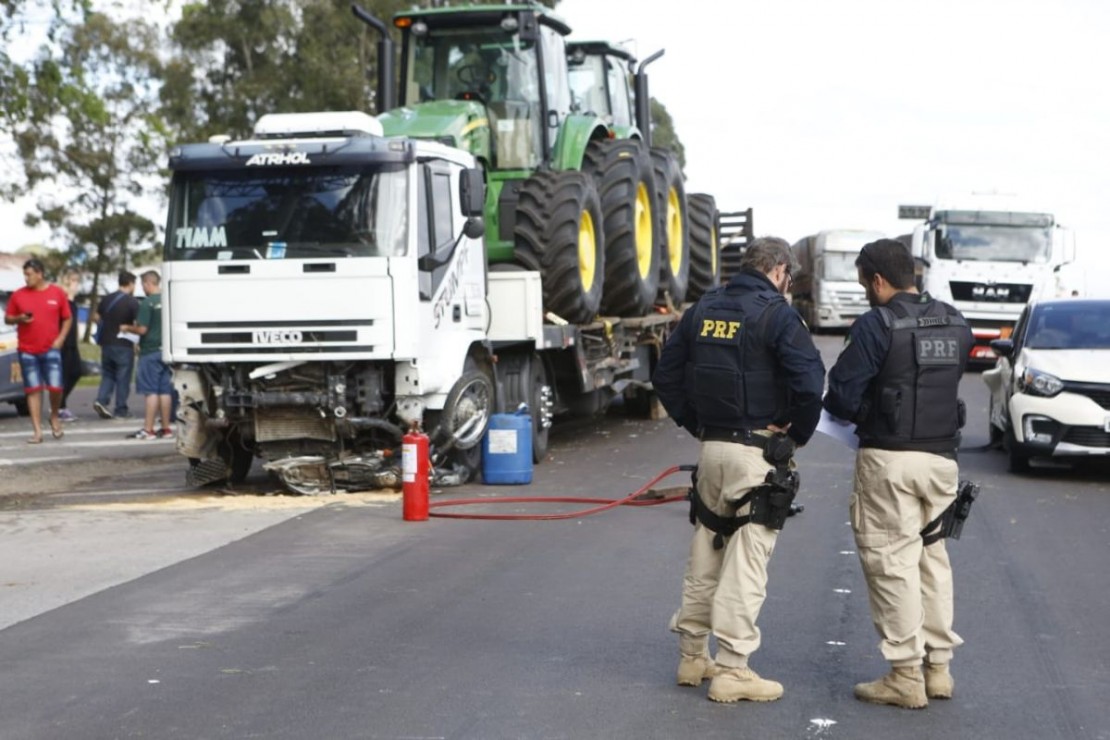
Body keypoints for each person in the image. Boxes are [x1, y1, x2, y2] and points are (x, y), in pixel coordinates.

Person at [652, 236, 826, 704]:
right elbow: (811, 385)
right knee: (746, 563)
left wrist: (697, 424)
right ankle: (732, 669)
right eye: (788, 278)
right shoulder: (778, 315)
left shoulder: (702, 310)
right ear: (779, 271)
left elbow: (665, 376)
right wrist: (796, 435)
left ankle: (693, 657)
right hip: (757, 455)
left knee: (705, 553)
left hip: (712, 450)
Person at [823, 238, 973, 709]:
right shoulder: (955, 320)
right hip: (942, 461)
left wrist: (866, 412)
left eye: (863, 284)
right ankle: (938, 669)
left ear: (878, 280)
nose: (865, 292)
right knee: (932, 561)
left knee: (892, 562)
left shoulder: (876, 324)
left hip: (890, 460)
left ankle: (905, 676)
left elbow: (841, 396)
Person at [3, 259, 72, 444]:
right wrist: (18, 318)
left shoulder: (56, 293)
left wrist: (61, 338)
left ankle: (54, 415)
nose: (26, 278)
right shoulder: (18, 295)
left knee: (56, 387)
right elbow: (8, 318)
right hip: (27, 350)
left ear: (40, 274)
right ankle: (37, 431)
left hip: (51, 348)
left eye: (29, 274)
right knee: (33, 390)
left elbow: (67, 318)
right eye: (25, 275)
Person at [120, 270, 174, 440]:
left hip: (150, 351)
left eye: (143, 285)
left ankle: (148, 429)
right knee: (165, 391)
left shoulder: (147, 303)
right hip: (166, 351)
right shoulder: (169, 300)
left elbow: (142, 329)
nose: (142, 288)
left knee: (151, 392)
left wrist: (127, 328)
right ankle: (166, 428)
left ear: (147, 283)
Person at [92, 270, 139, 419]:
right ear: (130, 284)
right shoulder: (132, 302)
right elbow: (137, 324)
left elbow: (96, 317)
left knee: (108, 374)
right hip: (124, 344)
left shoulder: (106, 299)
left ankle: (101, 401)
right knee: (123, 378)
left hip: (106, 343)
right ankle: (121, 409)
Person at [58, 267, 83, 421]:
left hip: (72, 342)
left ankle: (60, 404)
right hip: (64, 343)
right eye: (74, 281)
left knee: (76, 371)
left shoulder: (72, 302)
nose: (76, 284)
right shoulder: (63, 300)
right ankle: (60, 407)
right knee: (65, 374)